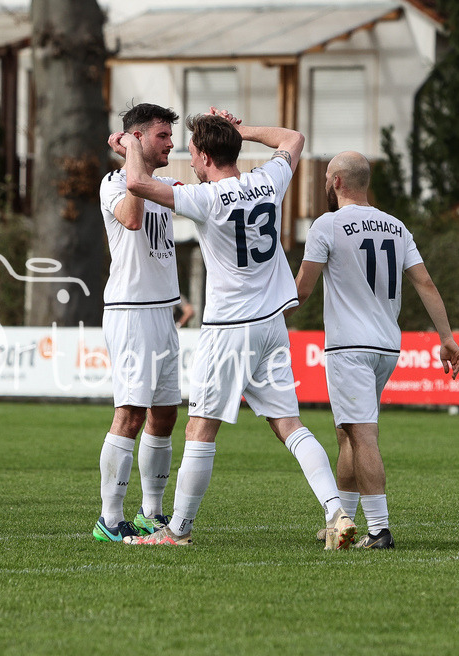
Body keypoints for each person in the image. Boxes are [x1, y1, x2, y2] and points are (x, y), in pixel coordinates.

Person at [111, 108, 355, 549]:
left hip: (229, 330)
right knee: (290, 425)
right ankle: (336, 511)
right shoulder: (268, 181)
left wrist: (130, 145)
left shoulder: (205, 198)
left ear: (203, 155)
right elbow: (294, 137)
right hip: (272, 326)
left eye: (191, 151)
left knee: (200, 430)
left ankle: (178, 532)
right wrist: (242, 130)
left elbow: (134, 184)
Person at [293, 150, 459, 549]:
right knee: (347, 433)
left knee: (363, 435)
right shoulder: (396, 227)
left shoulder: (328, 225)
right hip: (387, 345)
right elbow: (425, 284)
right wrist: (446, 337)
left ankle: (380, 530)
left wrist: (262, 309)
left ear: (336, 182)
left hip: (349, 347)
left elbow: (302, 288)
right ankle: (343, 522)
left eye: (326, 181)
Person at [92, 102, 183, 542]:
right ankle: (109, 519)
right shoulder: (114, 183)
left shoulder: (163, 183)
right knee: (129, 414)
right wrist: (128, 154)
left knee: (164, 414)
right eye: (162, 136)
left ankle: (151, 512)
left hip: (163, 312)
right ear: (138, 138)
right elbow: (131, 217)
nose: (171, 143)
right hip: (131, 312)